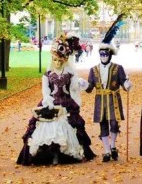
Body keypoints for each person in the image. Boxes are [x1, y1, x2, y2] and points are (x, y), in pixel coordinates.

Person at [17, 33, 96, 165]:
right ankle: (47, 155)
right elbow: (45, 91)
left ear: (65, 59)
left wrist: (82, 84)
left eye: (60, 60)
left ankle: (63, 154)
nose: (57, 63)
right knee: (44, 126)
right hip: (51, 102)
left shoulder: (69, 74)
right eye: (55, 60)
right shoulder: (47, 75)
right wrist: (48, 101)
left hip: (66, 102)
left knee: (68, 125)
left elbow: (74, 88)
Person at [84, 14, 131, 162]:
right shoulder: (93, 70)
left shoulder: (118, 68)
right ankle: (106, 151)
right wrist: (83, 85)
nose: (103, 56)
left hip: (113, 99)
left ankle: (112, 146)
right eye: (101, 54)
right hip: (100, 100)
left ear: (110, 54)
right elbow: (90, 88)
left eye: (106, 54)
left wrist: (127, 85)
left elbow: (124, 83)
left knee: (114, 123)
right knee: (103, 125)